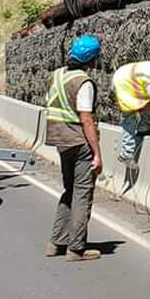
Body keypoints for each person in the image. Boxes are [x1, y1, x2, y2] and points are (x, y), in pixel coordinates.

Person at [44, 34, 104, 261]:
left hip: (60, 140)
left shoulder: (56, 75)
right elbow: (86, 118)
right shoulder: (83, 82)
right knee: (82, 194)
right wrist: (97, 153)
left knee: (69, 191)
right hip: (79, 142)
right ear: (92, 59)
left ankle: (56, 242)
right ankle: (76, 248)